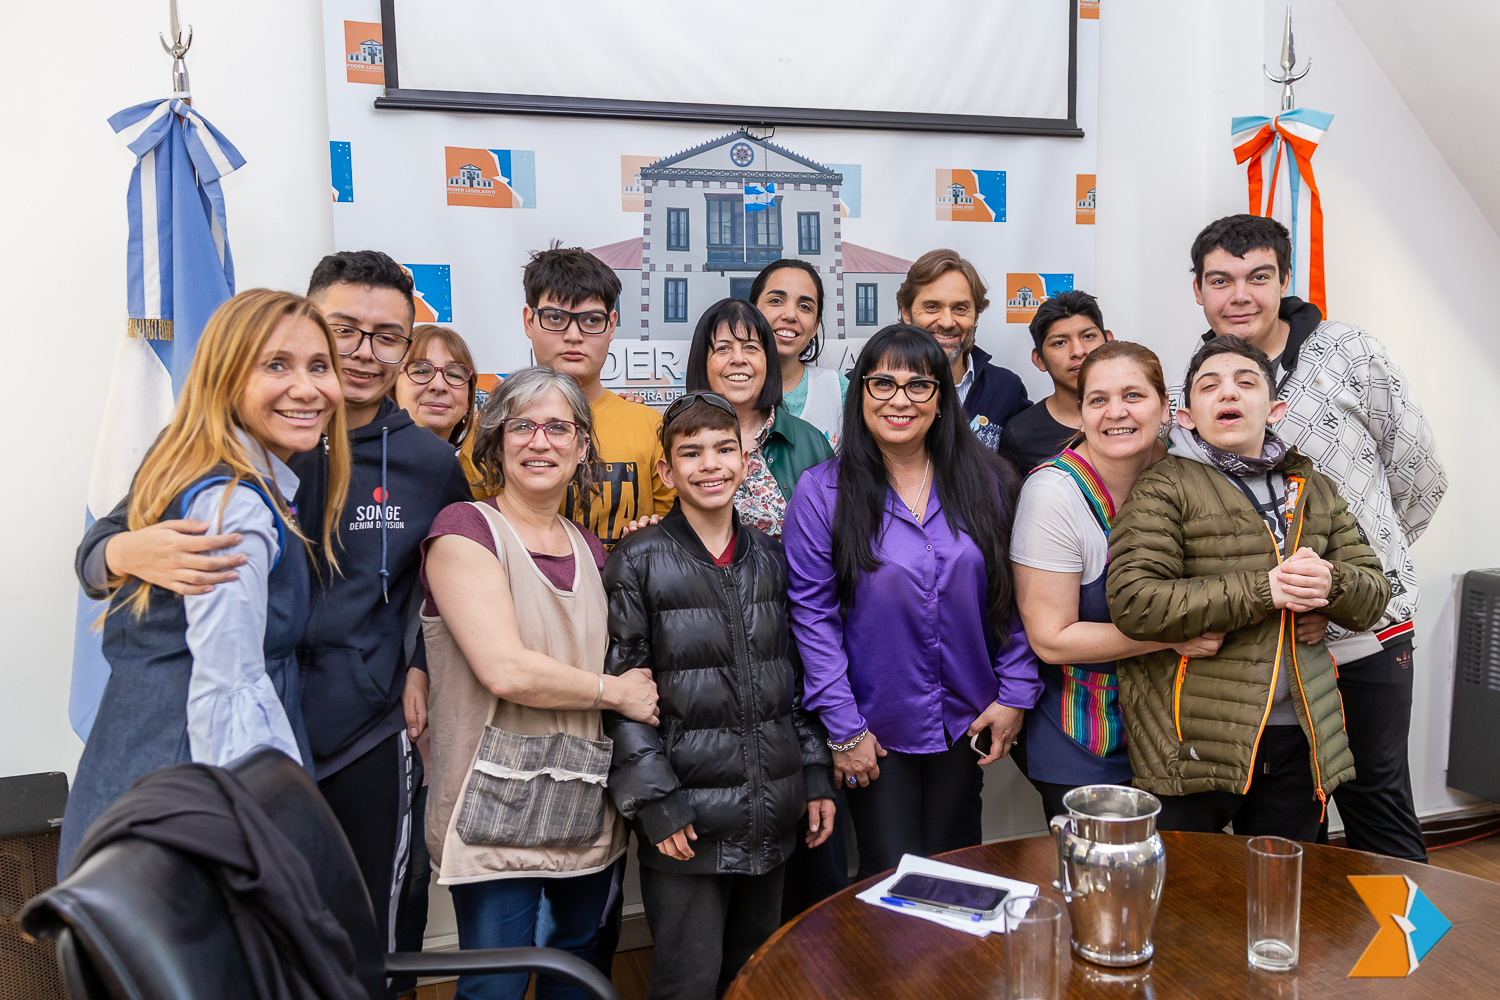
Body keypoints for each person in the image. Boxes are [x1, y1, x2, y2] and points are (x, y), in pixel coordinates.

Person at [74, 251, 474, 953]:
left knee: (356, 935)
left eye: (387, 336)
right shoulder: (220, 451)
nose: (360, 354)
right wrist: (124, 551)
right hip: (230, 736)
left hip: (359, 729)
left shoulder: (432, 463)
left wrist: (416, 664)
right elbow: (101, 552)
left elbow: (450, 578)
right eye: (342, 331)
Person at [59, 289, 350, 870]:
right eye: (276, 365)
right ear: (225, 379)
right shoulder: (233, 505)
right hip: (186, 801)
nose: (307, 387)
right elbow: (229, 688)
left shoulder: (214, 466)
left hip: (139, 780)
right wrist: (262, 852)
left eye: (319, 366)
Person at [1187, 215, 1446, 861]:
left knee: (1378, 802)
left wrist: (1362, 575)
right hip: (1266, 651)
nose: (1239, 295)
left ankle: (1411, 961)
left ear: (1285, 280)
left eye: (1258, 277)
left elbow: (1419, 476)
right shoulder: (1202, 381)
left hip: (1366, 636)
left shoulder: (1349, 352)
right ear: (1198, 290)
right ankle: (1315, 959)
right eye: (1221, 280)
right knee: (1289, 825)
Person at [420, 366, 658, 1000]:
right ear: (496, 441)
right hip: (494, 808)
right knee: (495, 981)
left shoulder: (591, 548)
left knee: (575, 969)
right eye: (522, 425)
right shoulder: (463, 531)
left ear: (583, 448)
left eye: (559, 427)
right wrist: (616, 693)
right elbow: (505, 668)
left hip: (583, 800)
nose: (540, 441)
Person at [1106, 335, 1392, 841]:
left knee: (1282, 897)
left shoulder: (1316, 489)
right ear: (1188, 415)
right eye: (1209, 386)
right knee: (1188, 902)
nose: (1228, 394)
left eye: (1246, 382)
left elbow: (1373, 596)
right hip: (1192, 740)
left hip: (1299, 736)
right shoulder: (1163, 486)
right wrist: (1266, 590)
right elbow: (1134, 602)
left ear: (1275, 407)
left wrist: (1332, 584)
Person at [784, 324, 1041, 879]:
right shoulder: (822, 491)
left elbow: (1014, 598)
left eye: (919, 385)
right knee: (889, 876)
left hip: (966, 719)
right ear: (860, 397)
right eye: (882, 383)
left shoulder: (990, 483)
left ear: (942, 401)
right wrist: (844, 728)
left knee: (957, 870)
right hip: (873, 730)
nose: (900, 399)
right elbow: (812, 618)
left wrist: (1016, 692)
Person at [602, 392, 835, 1000]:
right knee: (687, 982)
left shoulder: (774, 558)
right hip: (687, 823)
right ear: (666, 471)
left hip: (772, 811)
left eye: (724, 448)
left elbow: (800, 680)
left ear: (747, 458)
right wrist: (657, 803)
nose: (710, 464)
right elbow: (622, 693)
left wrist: (813, 774)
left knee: (756, 975)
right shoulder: (638, 559)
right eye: (691, 452)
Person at [1009, 341, 1225, 821]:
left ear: (1166, 407)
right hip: (1086, 737)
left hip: (1175, 732)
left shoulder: (1187, 476)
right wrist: (1172, 637)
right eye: (1098, 400)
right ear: (1080, 414)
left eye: (1133, 395)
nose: (1116, 412)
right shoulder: (1053, 494)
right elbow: (1052, 639)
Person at [511, 243, 674, 547]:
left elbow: (675, 535)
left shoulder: (649, 427)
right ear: (529, 321)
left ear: (611, 325)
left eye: (591, 321)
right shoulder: (498, 426)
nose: (574, 336)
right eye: (556, 318)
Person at [684, 297, 832, 538]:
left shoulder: (810, 442)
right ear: (702, 362)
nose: (739, 359)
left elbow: (838, 535)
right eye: (723, 348)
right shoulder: (674, 438)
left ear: (768, 360)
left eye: (751, 347)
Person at [896, 249, 1030, 451]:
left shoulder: (1006, 389)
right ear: (906, 313)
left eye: (960, 309)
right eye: (932, 307)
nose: (948, 322)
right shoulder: (870, 386)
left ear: (975, 316)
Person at [998, 290, 1112, 474]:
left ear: (1109, 341)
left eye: (1088, 336)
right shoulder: (1020, 433)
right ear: (1039, 359)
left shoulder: (1133, 413)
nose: (1078, 351)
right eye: (1060, 342)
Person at [749, 259, 848, 446]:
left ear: (815, 327)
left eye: (804, 306)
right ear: (752, 312)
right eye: (776, 301)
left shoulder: (838, 389)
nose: (790, 315)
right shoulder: (730, 386)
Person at [397, 323, 477, 446]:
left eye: (454, 375)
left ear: (467, 403)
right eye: (421, 371)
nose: (439, 386)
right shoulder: (361, 462)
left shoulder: (466, 465)